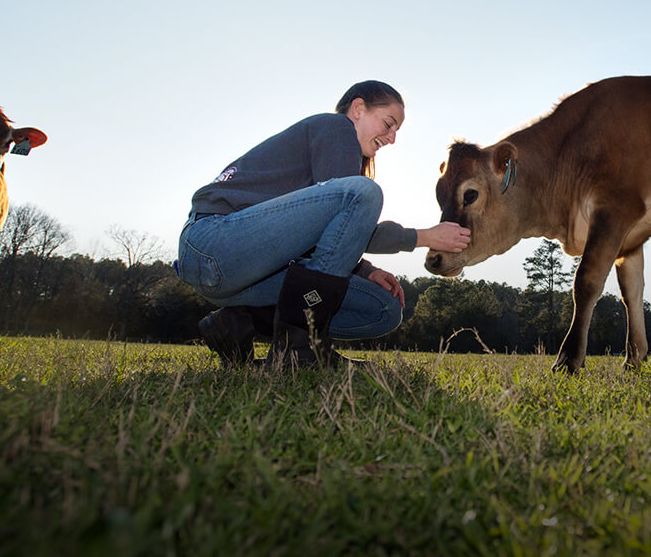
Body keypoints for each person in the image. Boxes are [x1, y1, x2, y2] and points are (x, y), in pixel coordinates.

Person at [176, 81, 470, 370]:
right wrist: (426, 236)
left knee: (384, 308)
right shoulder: (336, 128)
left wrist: (365, 270)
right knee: (364, 192)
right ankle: (299, 349)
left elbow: (330, 234)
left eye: (396, 131)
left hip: (245, 278)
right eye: (388, 123)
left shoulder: (340, 156)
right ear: (358, 109)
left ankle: (238, 321)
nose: (392, 138)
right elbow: (348, 208)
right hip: (213, 244)